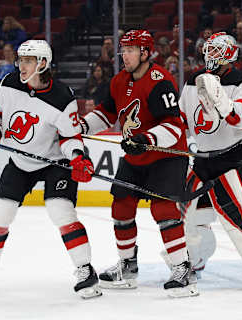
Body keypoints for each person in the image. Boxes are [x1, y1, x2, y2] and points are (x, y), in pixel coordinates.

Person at [0, 40, 102, 299]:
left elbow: (70, 138)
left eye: (28, 60)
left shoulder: (63, 97)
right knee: (1, 212)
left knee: (60, 209)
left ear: (42, 63)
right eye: (21, 60)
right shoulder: (8, 83)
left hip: (55, 162)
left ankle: (85, 270)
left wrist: (77, 158)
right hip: (21, 161)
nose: (21, 65)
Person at [79, 30, 197, 297]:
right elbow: (106, 113)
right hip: (136, 157)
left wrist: (145, 139)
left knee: (164, 209)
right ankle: (128, 266)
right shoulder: (119, 80)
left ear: (145, 53)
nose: (125, 55)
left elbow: (174, 127)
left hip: (167, 157)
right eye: (123, 50)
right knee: (121, 207)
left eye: (131, 50)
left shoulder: (160, 81)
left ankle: (182, 268)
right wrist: (82, 125)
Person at [177, 32, 242, 287]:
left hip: (236, 155)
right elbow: (181, 118)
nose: (211, 55)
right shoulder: (193, 81)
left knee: (235, 210)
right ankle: (193, 259)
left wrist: (225, 105)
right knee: (187, 211)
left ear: (229, 55)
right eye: (209, 50)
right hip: (204, 158)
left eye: (217, 51)